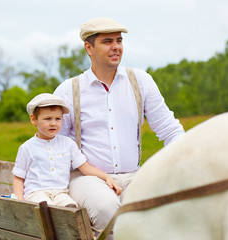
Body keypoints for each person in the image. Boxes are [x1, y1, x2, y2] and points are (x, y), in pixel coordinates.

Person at [53, 17, 185, 234]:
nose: (116, 47)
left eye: (119, 40)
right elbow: (58, 144)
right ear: (89, 48)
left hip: (134, 176)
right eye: (107, 41)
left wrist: (185, 162)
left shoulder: (140, 81)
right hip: (87, 180)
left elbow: (169, 129)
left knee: (163, 209)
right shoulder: (69, 90)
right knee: (108, 209)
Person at [12, 93, 122, 207]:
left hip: (61, 193)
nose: (53, 123)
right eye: (48, 118)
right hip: (36, 194)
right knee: (47, 208)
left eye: (58, 119)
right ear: (34, 120)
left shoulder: (67, 143)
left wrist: (106, 177)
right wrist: (20, 202)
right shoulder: (27, 148)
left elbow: (85, 167)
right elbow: (18, 178)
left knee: (71, 209)